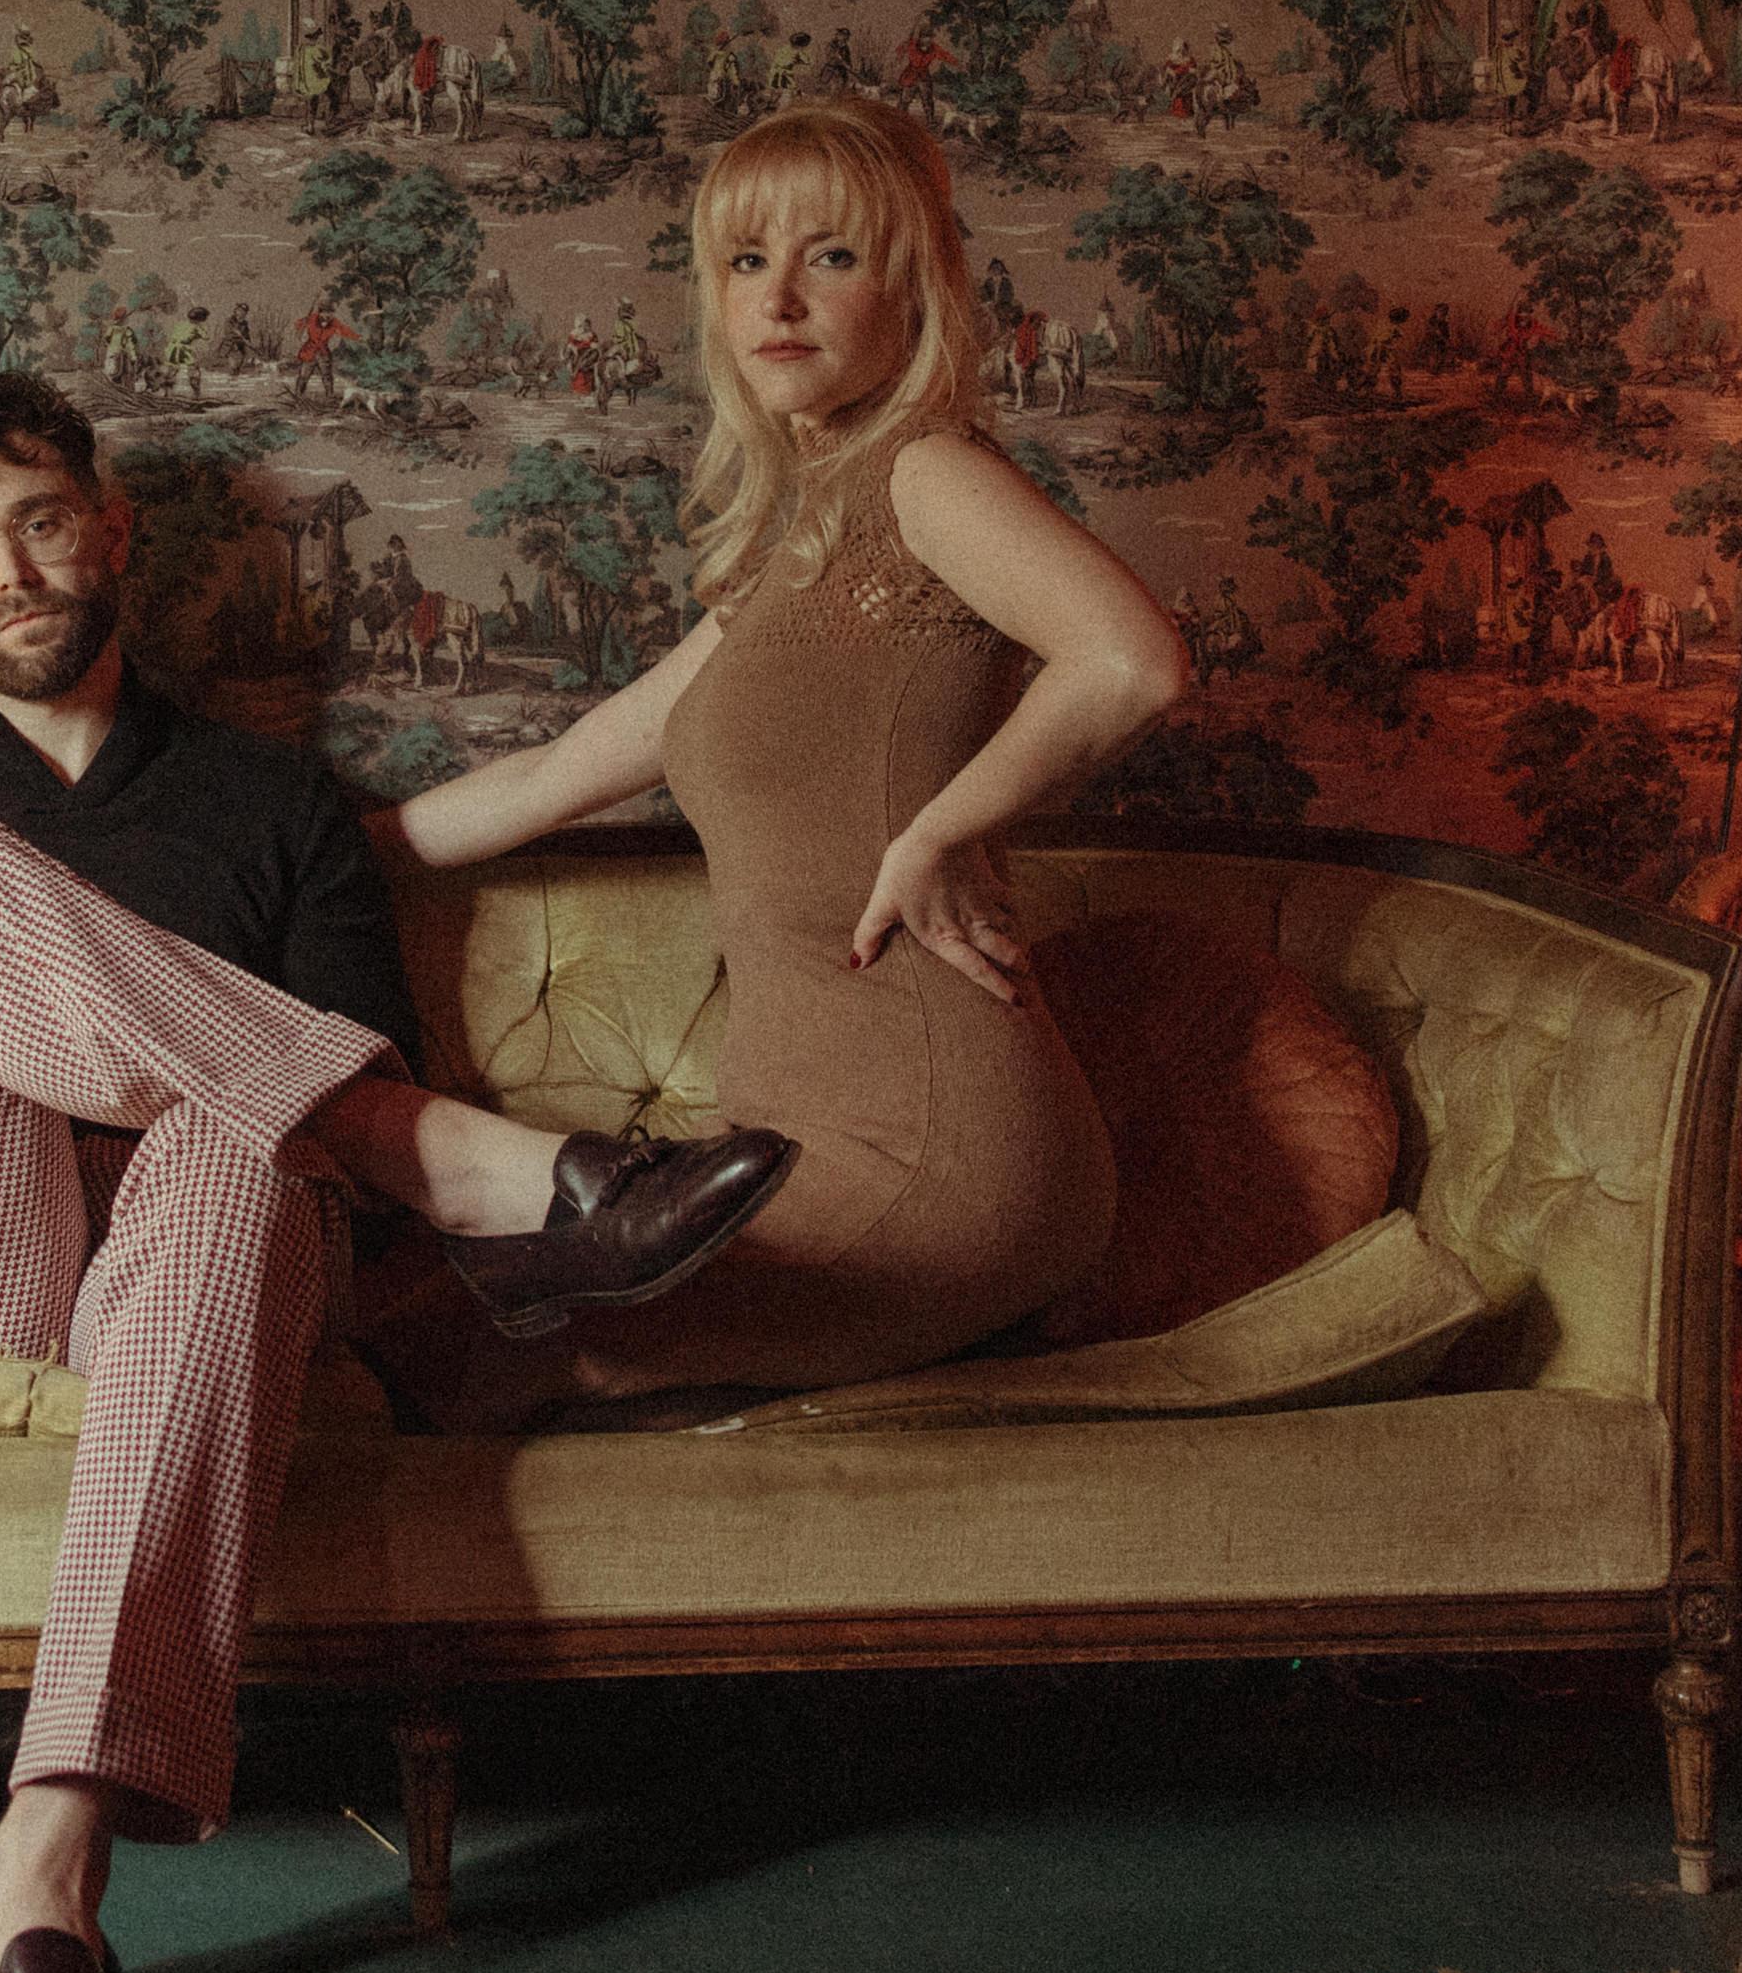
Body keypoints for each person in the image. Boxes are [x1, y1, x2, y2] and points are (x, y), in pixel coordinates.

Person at [0, 372, 795, 1973]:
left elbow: (340, 1099)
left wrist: (212, 1102)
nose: (9, 571)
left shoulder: (269, 801)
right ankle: (503, 1184)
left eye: (41, 522)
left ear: (109, 531)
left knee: (241, 1154)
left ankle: (45, 1882)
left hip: (198, 1272)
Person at [360, 96, 1193, 1431]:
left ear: (912, 288)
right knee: (407, 1322)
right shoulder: (796, 548)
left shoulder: (925, 474)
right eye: (746, 261)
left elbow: (1132, 661)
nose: (780, 298)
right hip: (795, 1154)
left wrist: (936, 832)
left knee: (453, 1354)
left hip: (937, 1152)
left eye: (832, 256)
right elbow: (550, 775)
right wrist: (313, 851)